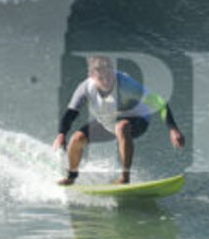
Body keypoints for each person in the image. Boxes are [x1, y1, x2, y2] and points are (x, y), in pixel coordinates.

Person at [54, 55, 185, 185]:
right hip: (108, 122)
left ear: (113, 71)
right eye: (101, 78)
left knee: (122, 127)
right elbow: (71, 113)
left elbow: (159, 102)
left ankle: (124, 177)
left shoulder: (126, 84)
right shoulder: (85, 88)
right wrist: (61, 134)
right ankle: (71, 177)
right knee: (76, 139)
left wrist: (173, 128)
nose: (106, 81)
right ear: (92, 77)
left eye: (109, 76)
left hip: (138, 119)